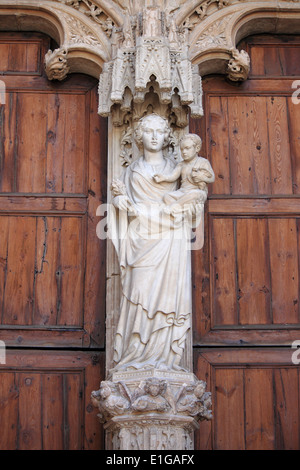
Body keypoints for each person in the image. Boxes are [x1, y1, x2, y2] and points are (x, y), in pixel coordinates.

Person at [110, 114, 195, 373]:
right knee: (140, 292)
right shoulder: (131, 170)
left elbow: (191, 202)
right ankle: (136, 354)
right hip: (141, 240)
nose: (155, 136)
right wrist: (120, 204)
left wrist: (183, 209)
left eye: (160, 131)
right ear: (139, 136)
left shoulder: (176, 169)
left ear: (168, 137)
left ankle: (166, 358)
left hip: (170, 239)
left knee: (169, 297)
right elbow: (121, 207)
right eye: (149, 131)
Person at [153, 134, 215, 217]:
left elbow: (212, 178)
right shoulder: (181, 164)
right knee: (166, 197)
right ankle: (178, 211)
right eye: (182, 149)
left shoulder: (203, 162)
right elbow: (173, 176)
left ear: (197, 148)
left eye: (187, 148)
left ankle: (174, 207)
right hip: (183, 191)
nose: (184, 152)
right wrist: (163, 178)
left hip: (197, 191)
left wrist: (202, 177)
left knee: (194, 194)